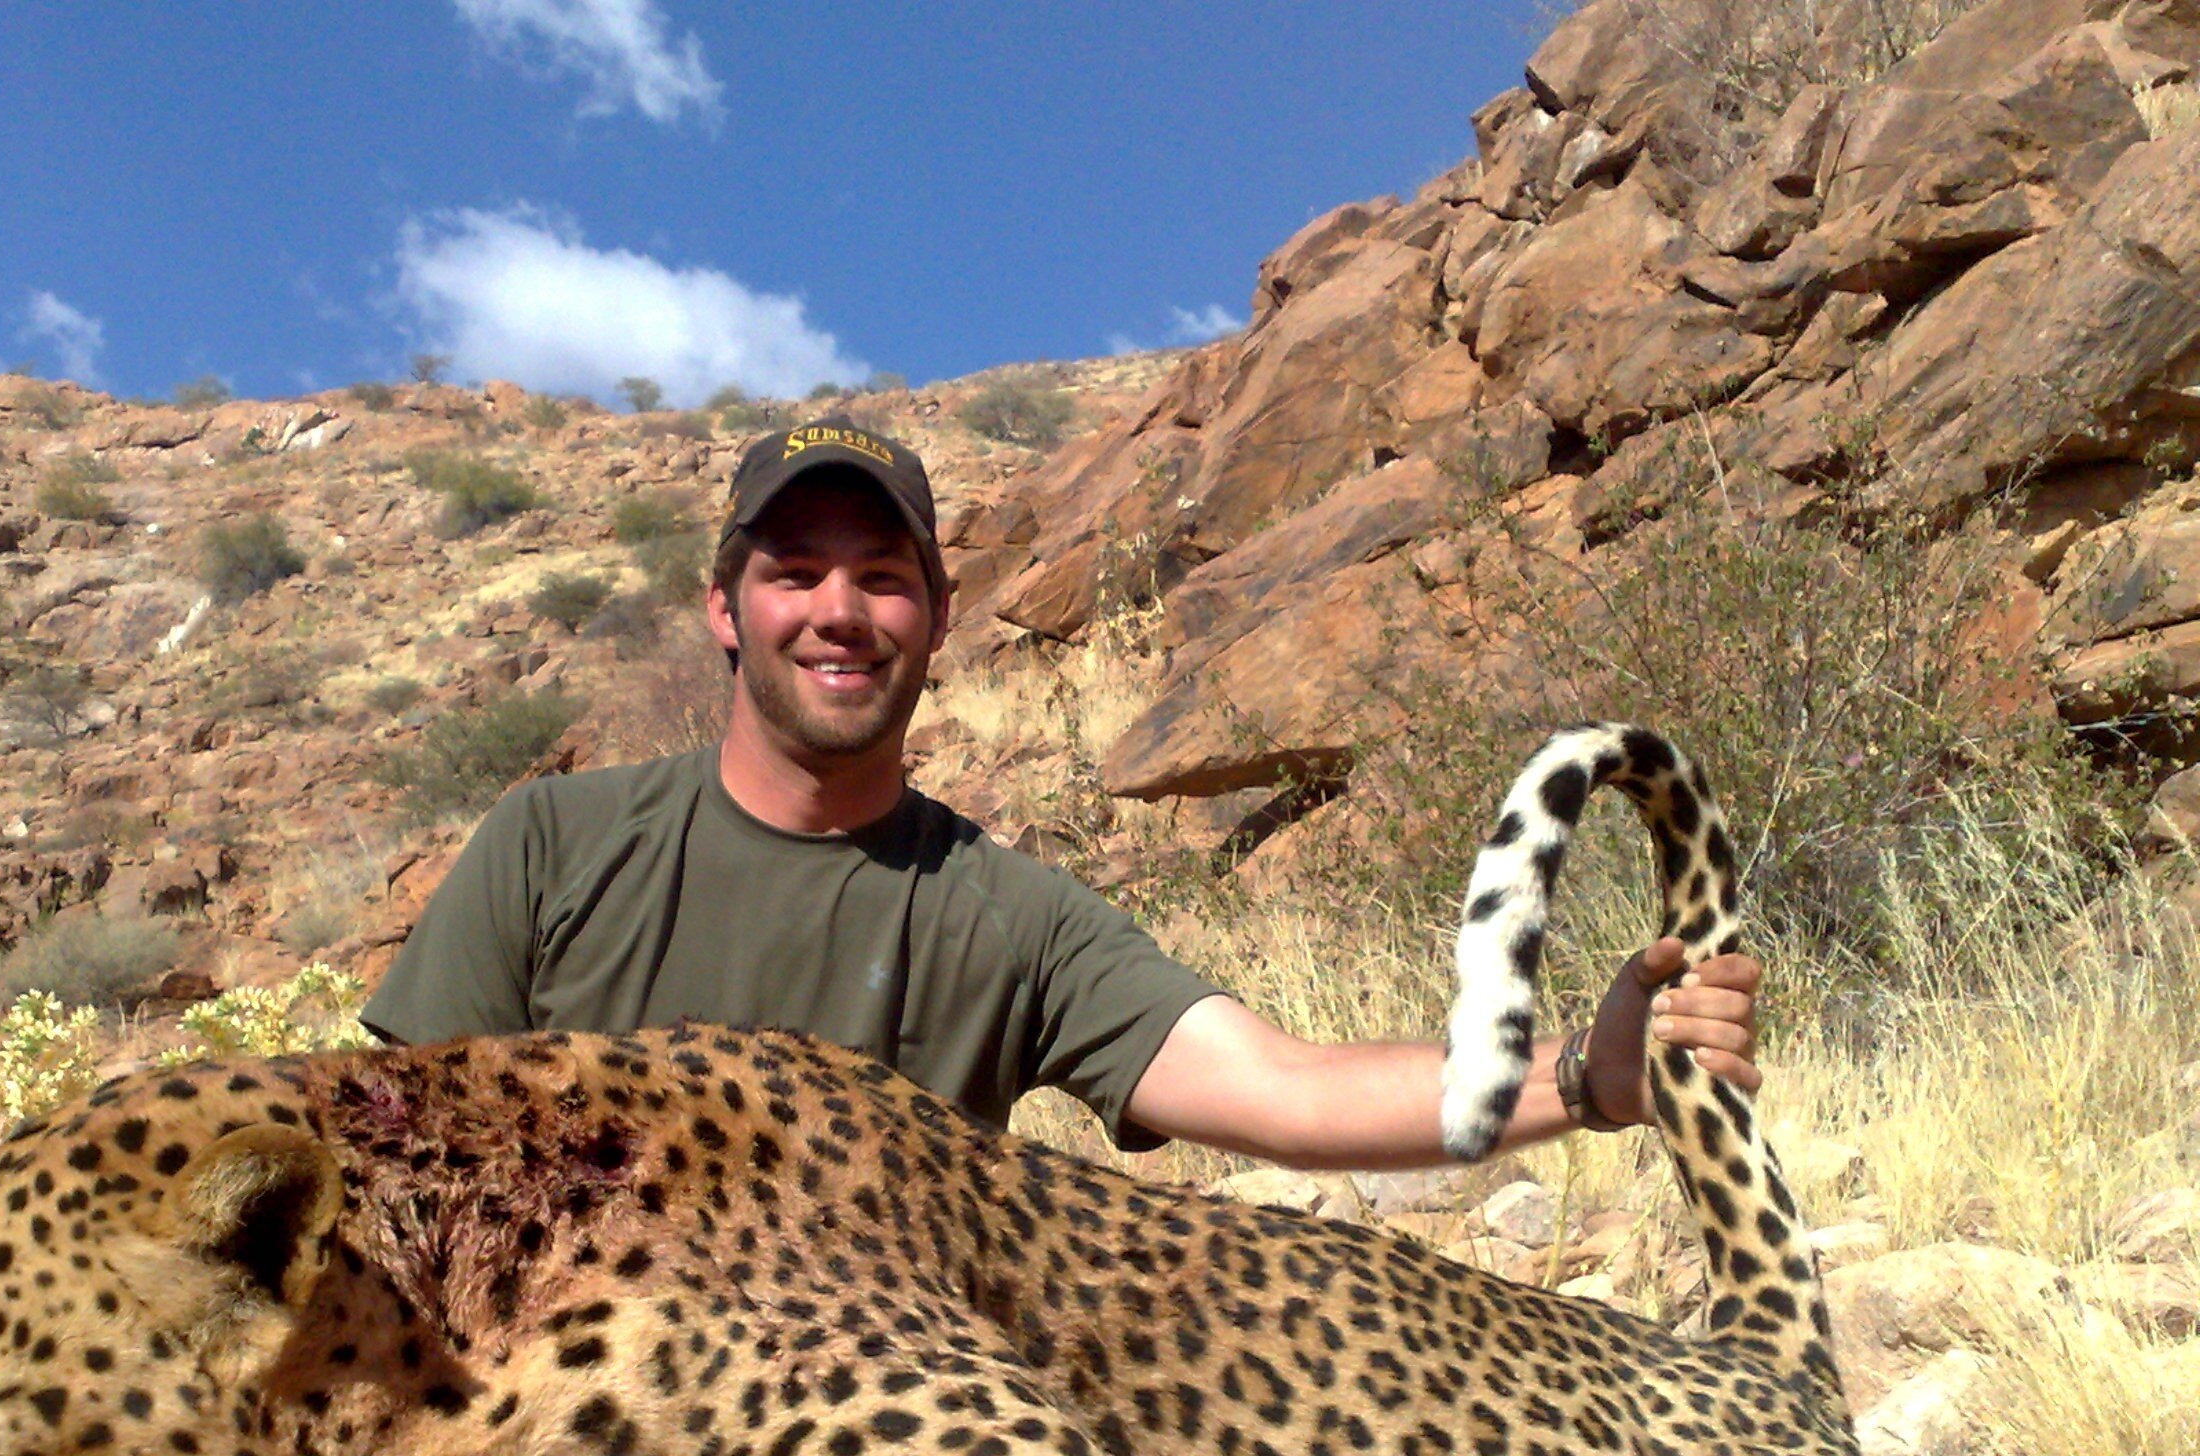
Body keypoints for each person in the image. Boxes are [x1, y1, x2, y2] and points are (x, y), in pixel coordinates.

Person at [363, 418, 1761, 1167]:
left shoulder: (1007, 915)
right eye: (795, 572)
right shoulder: (552, 844)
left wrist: (1580, 1079)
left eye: (883, 576)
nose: (839, 612)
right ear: (725, 610)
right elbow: (390, 1145)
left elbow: (1280, 1090)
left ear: (938, 615)